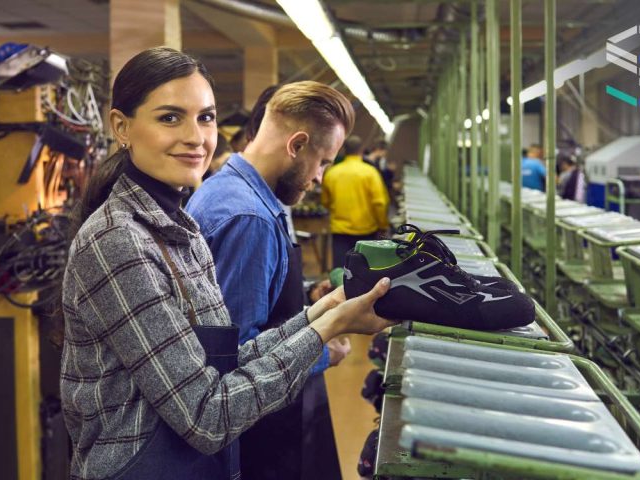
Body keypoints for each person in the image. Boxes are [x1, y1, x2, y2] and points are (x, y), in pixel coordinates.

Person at [60, 47, 394, 480]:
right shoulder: (117, 243)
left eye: (206, 117)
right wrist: (323, 332)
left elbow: (226, 360)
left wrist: (326, 311)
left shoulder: (178, 229)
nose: (196, 138)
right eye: (169, 118)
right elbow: (206, 415)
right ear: (121, 127)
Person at [186, 81, 352, 480]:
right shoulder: (249, 219)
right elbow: (235, 357)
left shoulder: (231, 191)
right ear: (296, 145)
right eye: (324, 162)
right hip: (255, 436)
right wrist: (327, 349)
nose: (321, 177)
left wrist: (315, 303)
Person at [322, 135, 390, 269]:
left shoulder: (332, 173)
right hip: (366, 233)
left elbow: (325, 202)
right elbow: (380, 203)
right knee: (363, 273)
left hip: (339, 232)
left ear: (344, 150)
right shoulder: (370, 173)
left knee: (341, 272)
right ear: (362, 150)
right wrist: (383, 225)